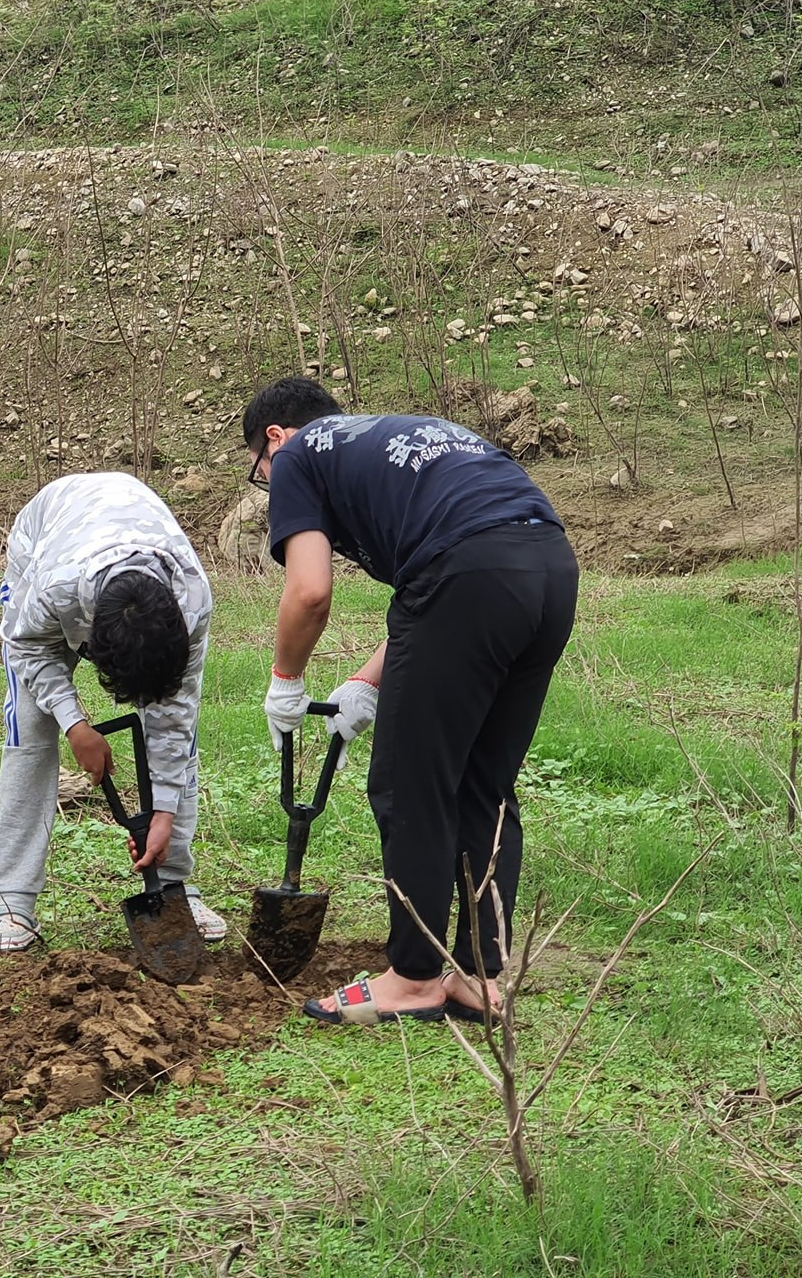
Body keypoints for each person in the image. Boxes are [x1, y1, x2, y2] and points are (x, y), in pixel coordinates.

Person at [244, 377, 578, 1024]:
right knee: (483, 784)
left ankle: (414, 977)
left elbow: (310, 592)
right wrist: (367, 684)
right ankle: (477, 977)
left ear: (275, 438)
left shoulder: (299, 455)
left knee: (407, 784)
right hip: (550, 569)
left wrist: (286, 681)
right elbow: (431, 590)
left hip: (472, 575)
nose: (267, 480)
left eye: (259, 466)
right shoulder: (392, 437)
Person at [0, 471, 223, 956]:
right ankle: (12, 904)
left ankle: (174, 886)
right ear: (90, 641)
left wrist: (165, 811)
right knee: (31, 724)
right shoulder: (54, 592)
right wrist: (75, 723)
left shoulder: (191, 603)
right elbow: (24, 648)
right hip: (48, 537)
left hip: (125, 532)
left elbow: (175, 717)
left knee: (176, 730)